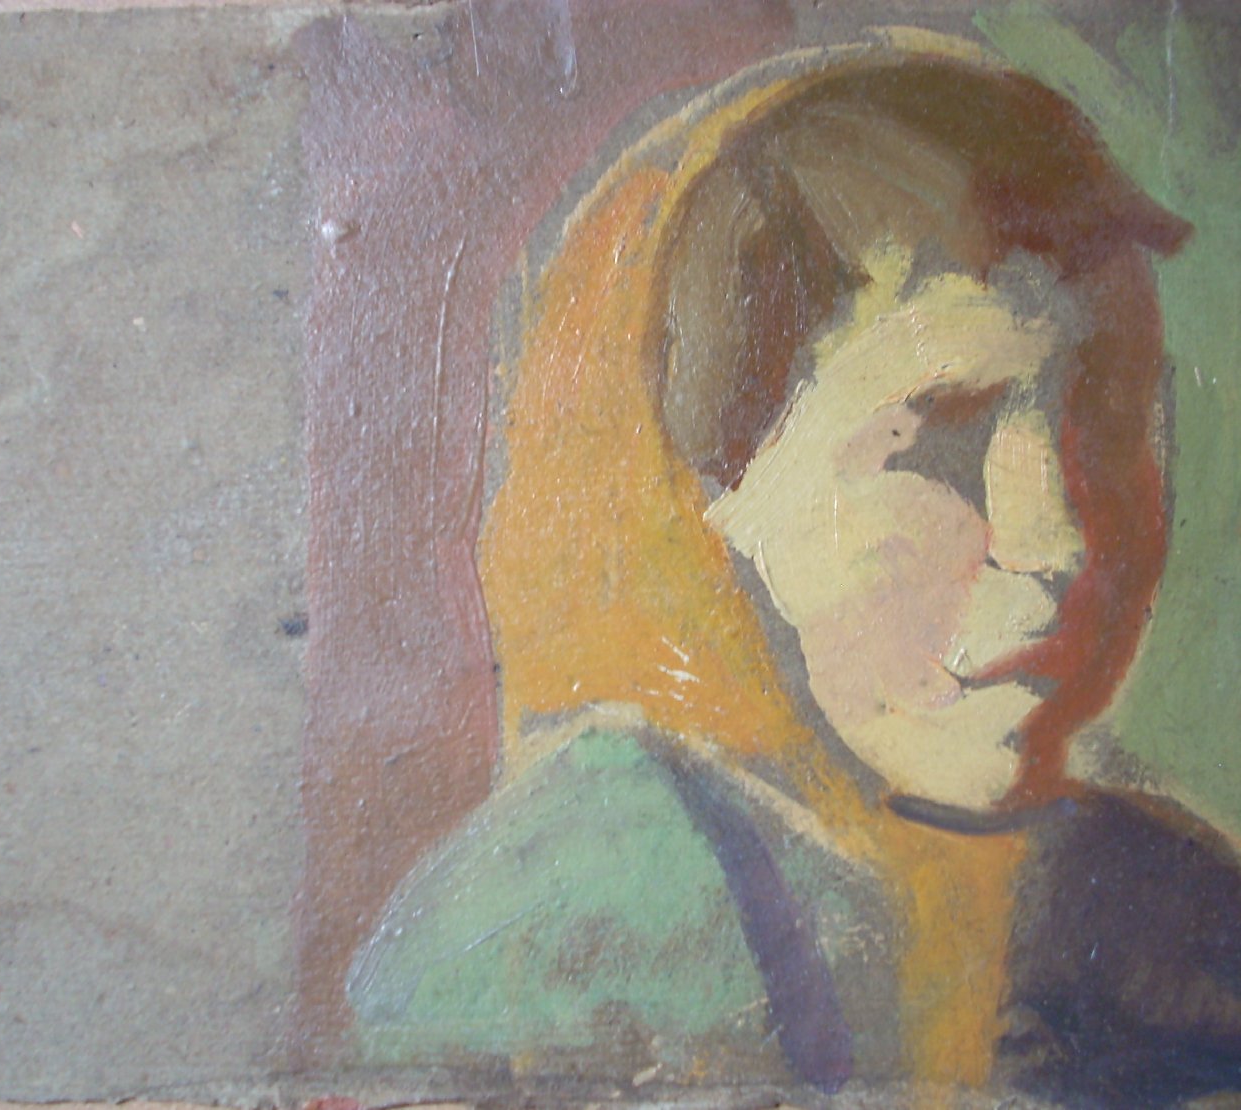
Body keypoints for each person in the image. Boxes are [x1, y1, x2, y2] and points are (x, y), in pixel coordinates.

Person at [346, 39, 1241, 1104]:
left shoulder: (1175, 919)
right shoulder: (564, 928)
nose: (1055, 539)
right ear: (726, 497)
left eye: (1103, 426)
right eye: (935, 443)